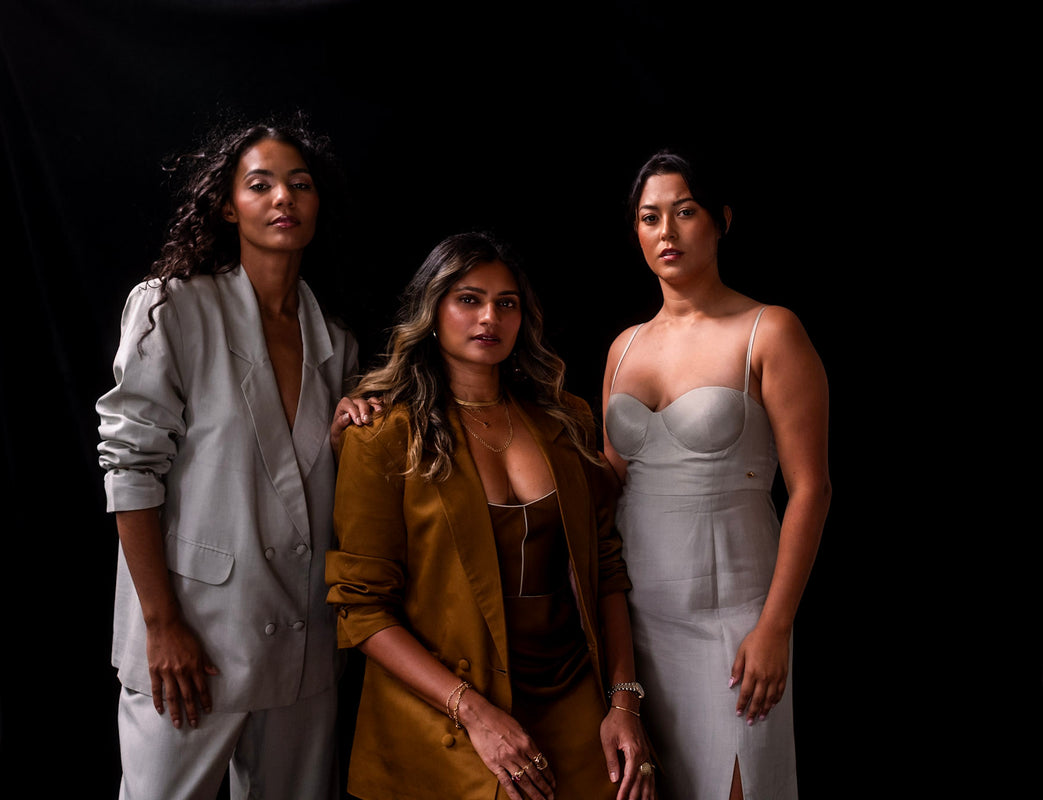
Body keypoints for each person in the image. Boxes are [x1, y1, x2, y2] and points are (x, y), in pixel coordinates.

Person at [325, 232, 657, 800]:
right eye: (469, 299)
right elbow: (362, 608)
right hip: (446, 707)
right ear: (433, 311)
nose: (490, 318)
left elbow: (606, 568)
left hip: (572, 693)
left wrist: (624, 702)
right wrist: (475, 714)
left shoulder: (567, 419)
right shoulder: (383, 435)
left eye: (507, 303)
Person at [96, 115, 365, 799]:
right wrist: (162, 627)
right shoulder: (173, 308)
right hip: (193, 642)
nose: (283, 198)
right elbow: (130, 468)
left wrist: (351, 441)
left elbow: (319, 490)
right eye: (261, 184)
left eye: (299, 184)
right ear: (226, 205)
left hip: (302, 643)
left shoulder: (335, 340)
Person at [601, 150, 831, 800]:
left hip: (735, 617)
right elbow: (607, 487)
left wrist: (775, 626)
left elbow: (811, 488)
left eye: (684, 212)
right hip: (638, 620)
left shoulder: (769, 330)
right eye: (649, 217)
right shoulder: (623, 347)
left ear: (721, 220)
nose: (666, 232)